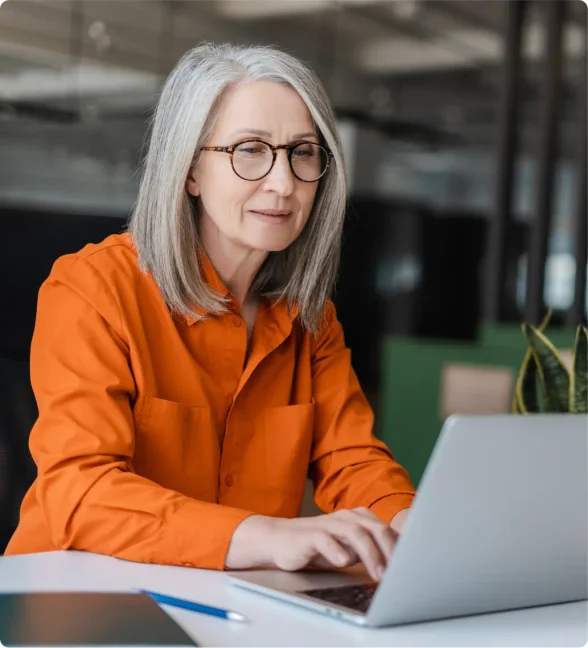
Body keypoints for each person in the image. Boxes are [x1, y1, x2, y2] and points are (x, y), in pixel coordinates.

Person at [6, 43, 415, 582]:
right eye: (250, 149)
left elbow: (354, 460)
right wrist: (267, 534)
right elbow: (80, 490)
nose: (283, 182)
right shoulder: (93, 288)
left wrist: (413, 526)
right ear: (190, 169)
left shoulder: (311, 320)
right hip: (76, 596)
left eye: (302, 152)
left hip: (231, 601)